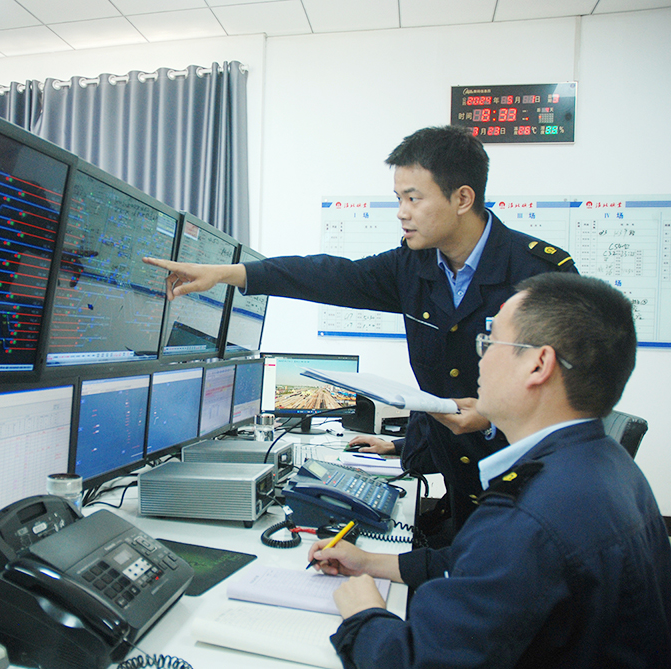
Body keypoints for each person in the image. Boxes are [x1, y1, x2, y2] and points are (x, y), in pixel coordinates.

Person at [144, 125, 576, 542]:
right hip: (461, 487)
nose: (402, 212)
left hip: (531, 493)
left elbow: (573, 395)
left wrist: (494, 416)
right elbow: (329, 275)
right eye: (399, 198)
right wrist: (227, 273)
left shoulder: (540, 273)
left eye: (414, 198)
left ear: (462, 198)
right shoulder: (415, 266)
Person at [306, 273, 671, 668]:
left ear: (538, 365)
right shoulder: (604, 462)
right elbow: (480, 566)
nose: (479, 357)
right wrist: (369, 562)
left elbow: (415, 662)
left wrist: (363, 614)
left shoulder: (529, 515)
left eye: (491, 342)